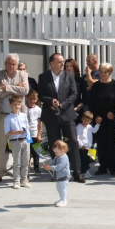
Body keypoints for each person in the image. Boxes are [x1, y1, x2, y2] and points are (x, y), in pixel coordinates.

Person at [38, 53, 85, 183]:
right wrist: (50, 101)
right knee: (55, 144)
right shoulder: (43, 77)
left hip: (67, 114)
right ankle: (57, 172)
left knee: (73, 141)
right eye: (59, 62)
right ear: (51, 63)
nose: (62, 64)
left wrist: (63, 104)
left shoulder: (69, 76)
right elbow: (41, 95)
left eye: (62, 62)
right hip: (51, 115)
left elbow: (74, 93)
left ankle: (77, 172)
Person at [0, 54, 29, 184]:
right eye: (9, 63)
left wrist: (6, 87)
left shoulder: (22, 75)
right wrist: (15, 88)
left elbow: (25, 91)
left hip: (19, 115)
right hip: (2, 114)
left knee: (21, 145)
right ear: (5, 63)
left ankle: (23, 175)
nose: (12, 66)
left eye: (14, 64)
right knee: (0, 146)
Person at [89, 63, 115, 176]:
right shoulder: (96, 86)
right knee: (101, 143)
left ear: (110, 72)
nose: (103, 74)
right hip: (99, 120)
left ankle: (112, 167)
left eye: (105, 72)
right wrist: (96, 116)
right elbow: (92, 102)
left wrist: (113, 112)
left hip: (111, 119)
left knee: (112, 143)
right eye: (101, 71)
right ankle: (102, 167)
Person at [4, 95, 31, 189]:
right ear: (10, 105)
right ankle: (16, 181)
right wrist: (18, 132)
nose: (17, 106)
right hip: (15, 141)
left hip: (25, 140)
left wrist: (26, 131)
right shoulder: (8, 118)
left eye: (19, 104)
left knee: (25, 161)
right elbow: (7, 132)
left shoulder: (24, 115)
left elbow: (27, 126)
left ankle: (24, 180)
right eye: (15, 104)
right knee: (17, 162)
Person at [43, 140, 71, 207]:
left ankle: (64, 200)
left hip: (64, 176)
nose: (55, 153)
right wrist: (48, 165)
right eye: (54, 152)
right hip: (58, 176)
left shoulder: (64, 157)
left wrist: (50, 168)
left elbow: (59, 167)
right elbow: (53, 162)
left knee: (62, 188)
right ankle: (61, 199)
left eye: (56, 152)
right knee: (58, 188)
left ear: (62, 150)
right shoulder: (57, 156)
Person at [77, 111, 101, 179]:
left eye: (87, 121)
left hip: (90, 147)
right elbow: (77, 137)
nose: (85, 122)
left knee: (88, 161)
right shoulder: (79, 126)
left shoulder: (90, 127)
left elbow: (94, 131)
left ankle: (87, 171)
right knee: (83, 161)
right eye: (84, 120)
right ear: (82, 118)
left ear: (90, 121)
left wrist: (97, 124)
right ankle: (83, 172)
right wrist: (81, 145)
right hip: (83, 148)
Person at [64, 58, 86, 122]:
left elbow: (85, 98)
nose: (69, 68)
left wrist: (77, 108)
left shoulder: (80, 80)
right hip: (65, 109)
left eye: (71, 66)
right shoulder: (62, 80)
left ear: (74, 67)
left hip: (77, 109)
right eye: (67, 66)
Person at [26, 89, 42, 177]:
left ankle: (37, 167)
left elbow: (40, 122)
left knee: (36, 151)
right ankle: (26, 167)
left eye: (34, 99)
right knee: (26, 151)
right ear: (27, 98)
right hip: (26, 134)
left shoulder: (38, 109)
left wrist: (39, 134)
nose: (33, 101)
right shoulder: (24, 108)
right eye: (31, 98)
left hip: (35, 133)